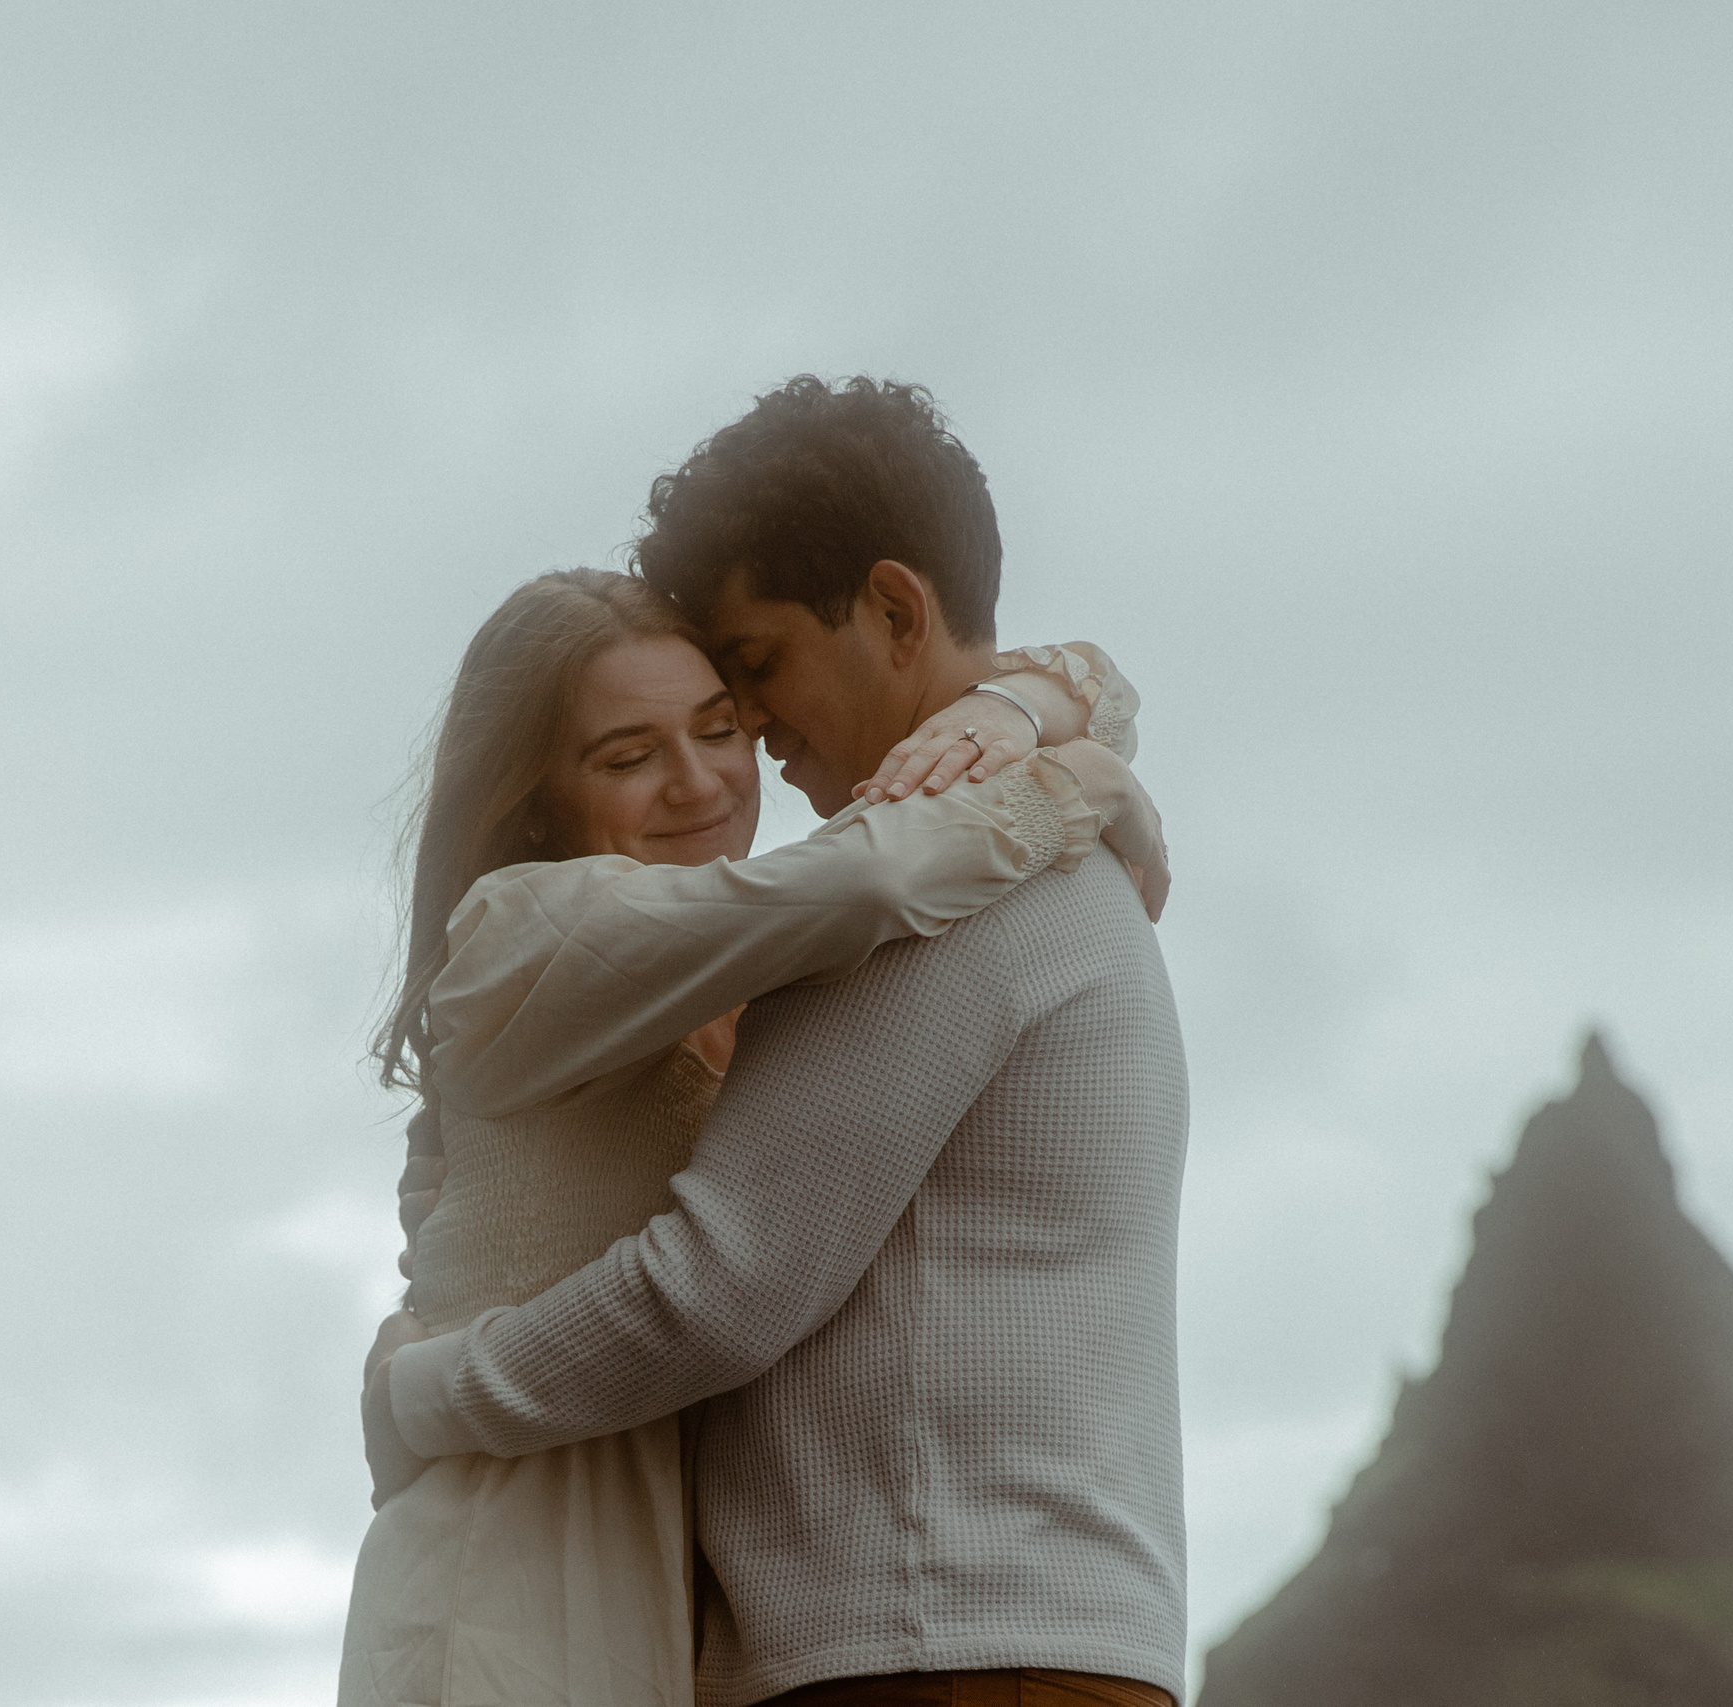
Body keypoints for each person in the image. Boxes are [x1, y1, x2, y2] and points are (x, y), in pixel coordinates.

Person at [364, 376, 1191, 1707]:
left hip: (934, 1648)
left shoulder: (938, 905)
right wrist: (1069, 744)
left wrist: (424, 1393)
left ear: (895, 611)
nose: (737, 756)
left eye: (743, 690)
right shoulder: (572, 941)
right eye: (635, 751)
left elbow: (718, 1288)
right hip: (926, 1634)